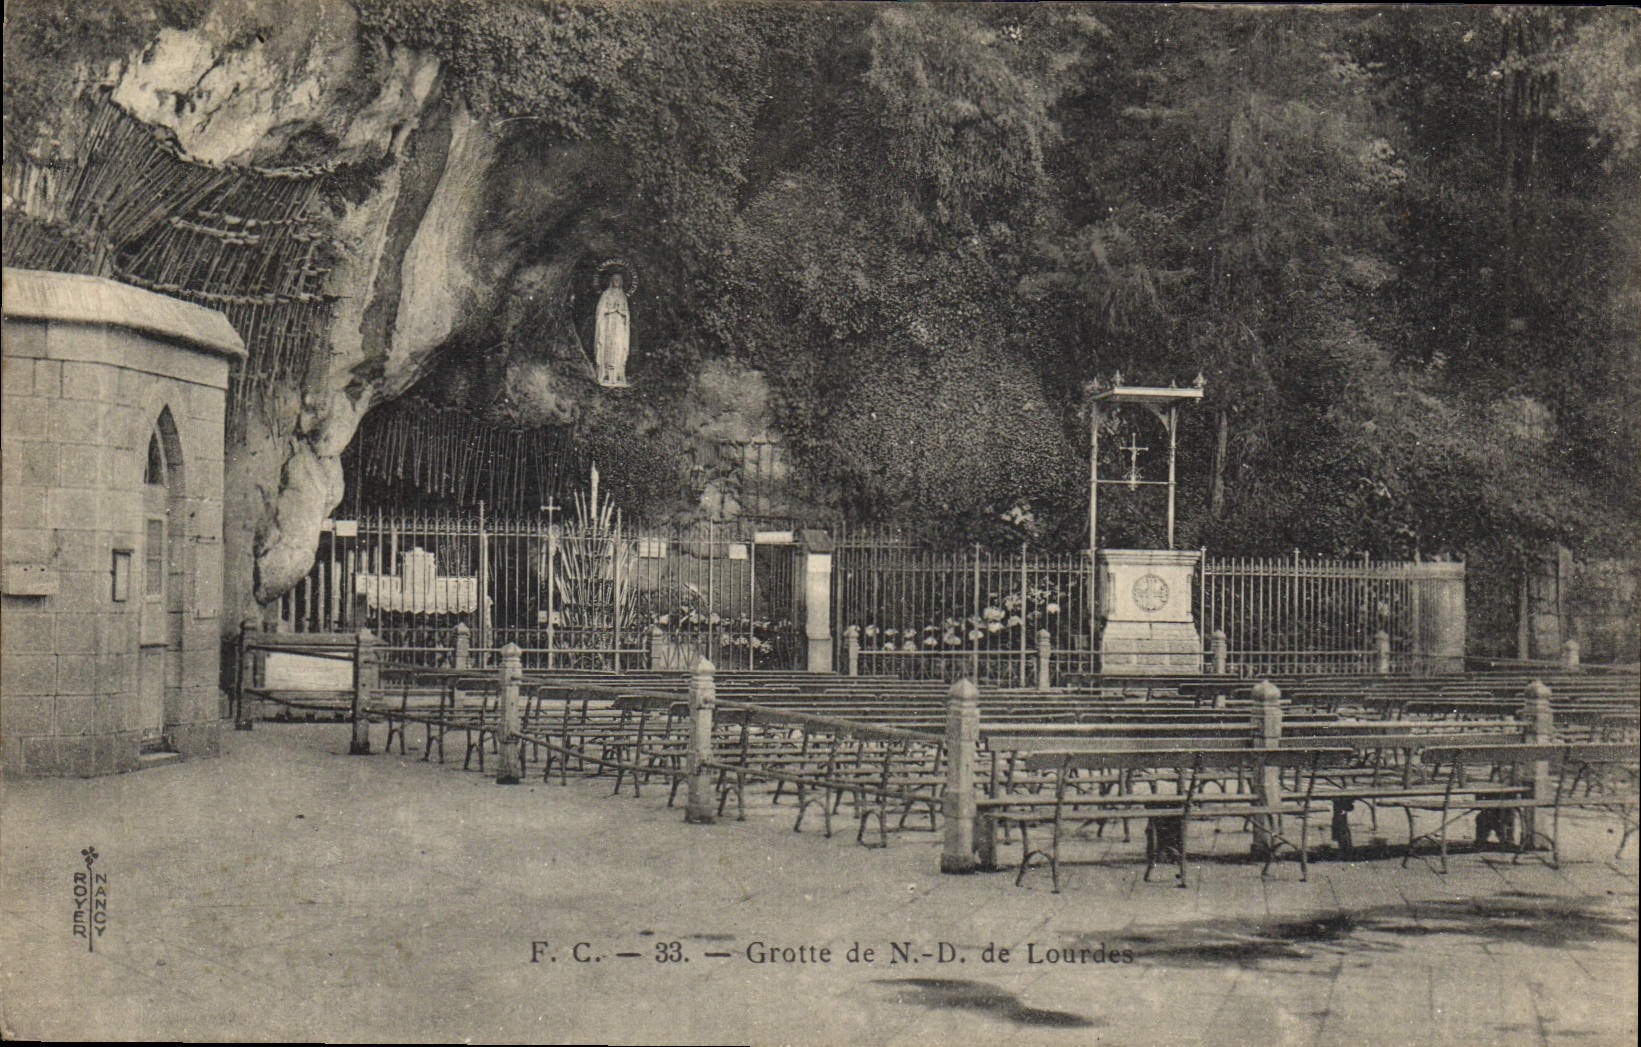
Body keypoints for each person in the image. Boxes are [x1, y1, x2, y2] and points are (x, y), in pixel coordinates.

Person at [593, 272, 630, 386]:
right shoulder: (606, 294)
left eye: (619, 279)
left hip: (619, 327)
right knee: (608, 347)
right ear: (611, 280)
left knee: (618, 347)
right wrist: (611, 310)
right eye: (614, 279)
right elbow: (600, 311)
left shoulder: (622, 295)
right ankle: (606, 375)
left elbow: (627, 314)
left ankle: (617, 375)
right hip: (608, 326)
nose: (616, 281)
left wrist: (621, 312)